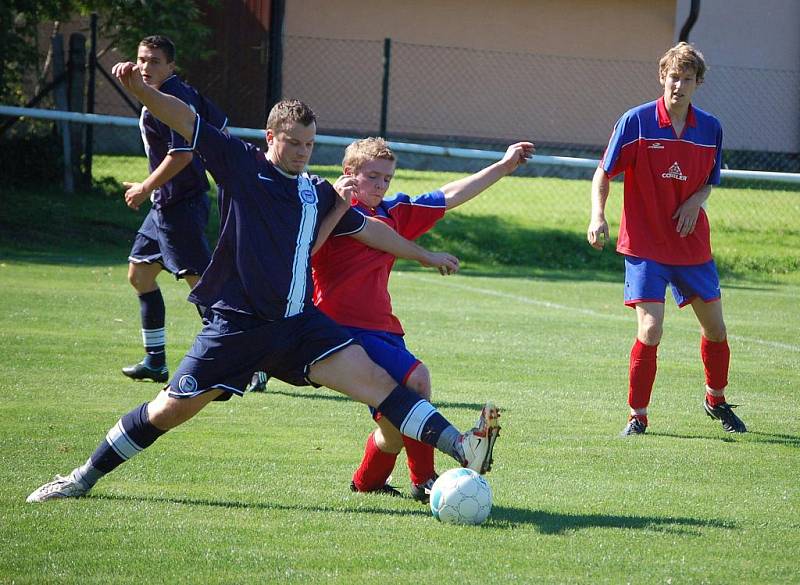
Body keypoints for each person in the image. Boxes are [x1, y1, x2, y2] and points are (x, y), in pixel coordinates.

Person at [25, 62, 501, 503]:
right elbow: (188, 120)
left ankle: (463, 447)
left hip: (298, 327)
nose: (301, 152)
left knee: (381, 383)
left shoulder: (317, 192)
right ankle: (81, 478)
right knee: (168, 410)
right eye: (293, 142)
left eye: (309, 145)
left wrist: (420, 253)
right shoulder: (241, 164)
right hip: (236, 327)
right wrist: (141, 90)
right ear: (272, 137)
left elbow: (374, 231)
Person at [312, 137, 533, 501]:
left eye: (387, 178)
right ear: (348, 173)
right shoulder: (329, 210)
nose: (381, 185)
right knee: (418, 380)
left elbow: (449, 194)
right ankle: (426, 478)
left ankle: (368, 482)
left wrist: (504, 166)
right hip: (342, 331)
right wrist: (426, 255)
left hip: (384, 330)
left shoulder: (393, 211)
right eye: (373, 177)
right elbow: (316, 247)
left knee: (394, 427)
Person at [586, 42, 746, 436]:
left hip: (691, 247)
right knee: (650, 329)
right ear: (662, 77)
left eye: (687, 79)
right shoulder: (636, 122)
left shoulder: (711, 128)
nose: (678, 85)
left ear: (698, 83)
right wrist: (598, 215)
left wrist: (695, 200)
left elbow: (709, 182)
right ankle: (637, 416)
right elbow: (603, 173)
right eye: (673, 77)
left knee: (717, 330)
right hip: (645, 248)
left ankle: (716, 399)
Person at [120, 35, 226, 384]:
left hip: (181, 204)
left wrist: (144, 186)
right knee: (140, 275)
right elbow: (219, 123)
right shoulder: (175, 93)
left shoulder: (174, 96)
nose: (145, 67)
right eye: (141, 59)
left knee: (205, 288)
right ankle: (155, 361)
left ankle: (245, 360)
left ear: (171, 66)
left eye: (153, 61)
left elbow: (182, 154)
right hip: (165, 205)